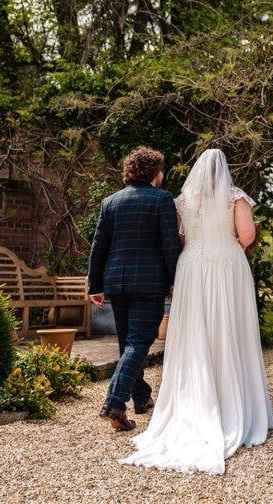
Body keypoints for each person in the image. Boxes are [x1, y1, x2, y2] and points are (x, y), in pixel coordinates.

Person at [119, 148, 273, 475]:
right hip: (227, 266)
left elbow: (177, 238)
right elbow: (247, 235)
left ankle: (193, 405)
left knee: (194, 333)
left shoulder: (182, 200)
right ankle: (237, 404)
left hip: (191, 268)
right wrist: (229, 244)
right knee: (232, 330)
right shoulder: (235, 197)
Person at [87, 146, 182, 432]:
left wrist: (95, 284)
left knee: (127, 342)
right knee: (140, 341)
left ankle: (141, 398)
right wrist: (176, 278)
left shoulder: (110, 201)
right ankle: (114, 403)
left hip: (116, 282)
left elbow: (98, 247)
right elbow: (169, 244)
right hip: (149, 283)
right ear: (155, 173)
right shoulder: (162, 199)